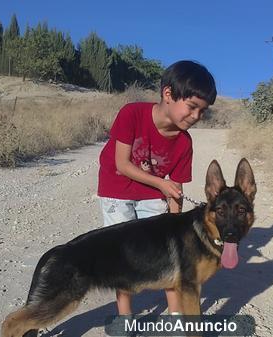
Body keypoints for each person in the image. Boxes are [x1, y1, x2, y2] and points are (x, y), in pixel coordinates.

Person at [97, 60, 217, 316]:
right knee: (123, 257)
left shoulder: (184, 142)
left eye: (202, 111)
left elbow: (178, 188)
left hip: (152, 195)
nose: (196, 117)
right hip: (116, 190)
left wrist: (177, 230)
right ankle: (124, 316)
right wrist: (161, 182)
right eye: (192, 107)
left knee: (170, 258)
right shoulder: (132, 114)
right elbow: (122, 163)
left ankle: (175, 317)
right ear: (168, 94)